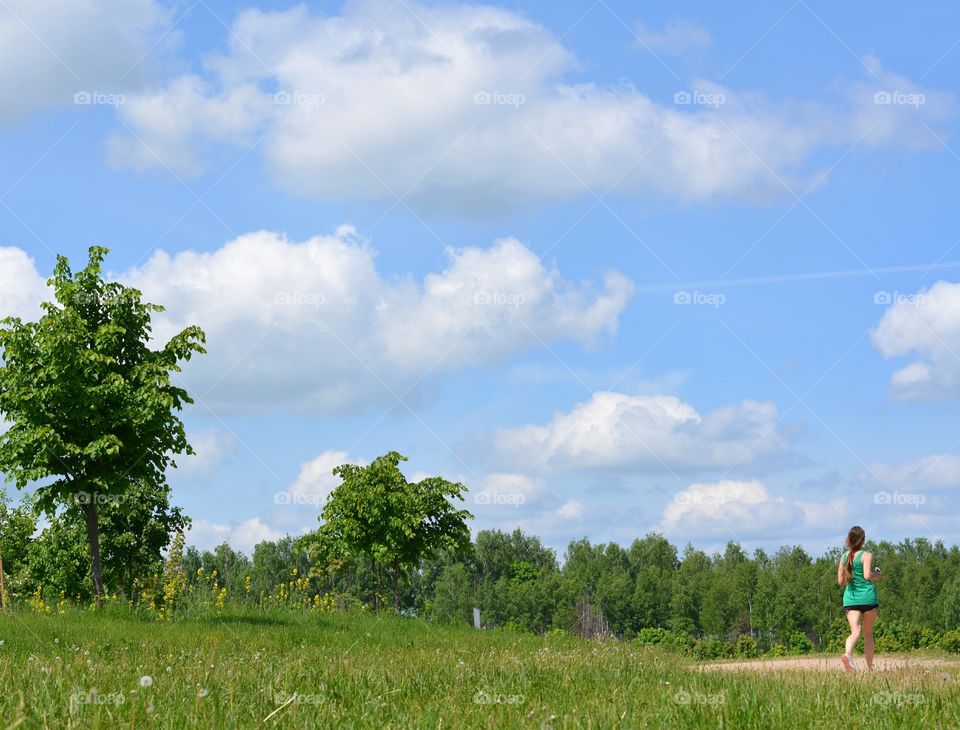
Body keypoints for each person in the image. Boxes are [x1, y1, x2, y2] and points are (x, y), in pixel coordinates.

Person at [836, 525, 882, 671]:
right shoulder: (866, 555)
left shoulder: (844, 557)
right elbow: (867, 575)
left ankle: (848, 655)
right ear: (862, 540)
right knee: (868, 635)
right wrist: (877, 574)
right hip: (868, 598)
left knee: (855, 632)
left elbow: (840, 581)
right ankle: (870, 668)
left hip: (851, 599)